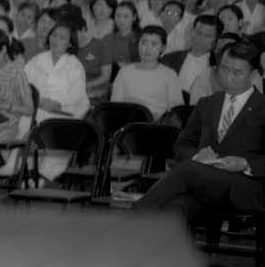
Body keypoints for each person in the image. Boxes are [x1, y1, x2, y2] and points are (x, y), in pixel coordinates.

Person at [136, 41, 265, 224]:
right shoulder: (207, 104)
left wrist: (244, 163)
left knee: (188, 171)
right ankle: (144, 247)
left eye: (237, 73)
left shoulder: (262, 107)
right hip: (204, 185)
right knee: (176, 206)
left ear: (253, 75)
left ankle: (131, 218)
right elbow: (181, 146)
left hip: (245, 188)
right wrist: (198, 156)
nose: (228, 77)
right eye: (224, 69)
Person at [25, 14, 90, 121]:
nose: (56, 40)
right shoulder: (37, 59)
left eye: (62, 38)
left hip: (64, 112)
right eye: (54, 35)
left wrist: (57, 103)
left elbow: (77, 93)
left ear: (70, 44)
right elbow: (24, 83)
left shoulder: (75, 65)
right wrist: (39, 101)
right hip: (38, 107)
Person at [112, 25, 183, 119]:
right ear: (138, 44)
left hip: (157, 126)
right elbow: (115, 105)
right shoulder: (124, 72)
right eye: (143, 43)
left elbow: (176, 110)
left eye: (154, 44)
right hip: (129, 125)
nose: (147, 48)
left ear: (162, 48)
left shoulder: (170, 75)